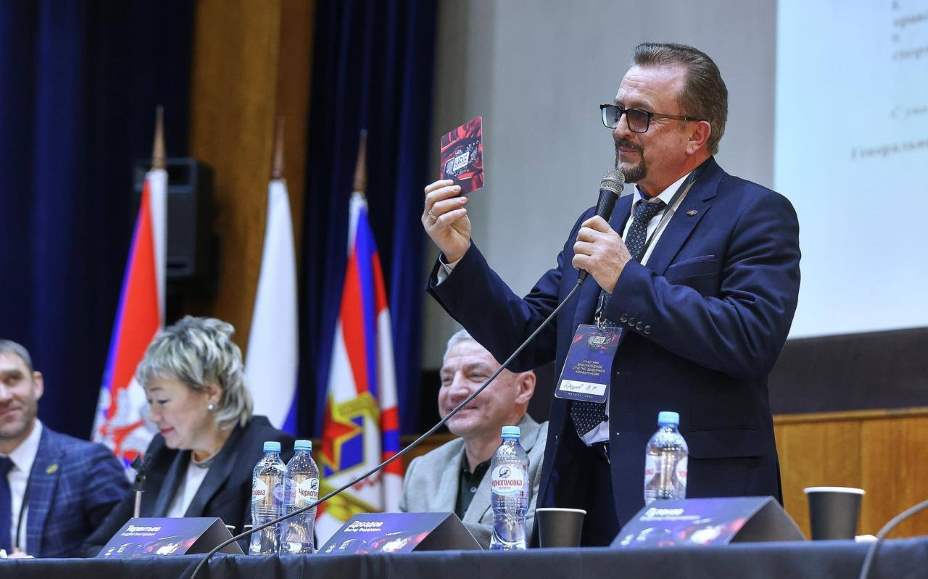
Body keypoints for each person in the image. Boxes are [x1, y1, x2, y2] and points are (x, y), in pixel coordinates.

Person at [422, 43, 800, 545]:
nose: (621, 128)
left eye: (641, 116)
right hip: (583, 486)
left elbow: (750, 338)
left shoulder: (752, 212)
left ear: (696, 134)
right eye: (617, 112)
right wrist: (459, 256)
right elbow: (525, 335)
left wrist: (627, 281)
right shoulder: (606, 217)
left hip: (689, 487)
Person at [86, 316, 294, 553]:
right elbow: (96, 547)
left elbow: (272, 552)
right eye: (150, 402)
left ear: (211, 393)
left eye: (162, 401)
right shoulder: (162, 452)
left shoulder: (268, 453)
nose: (153, 416)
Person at [399, 330, 547, 548]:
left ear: (523, 387)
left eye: (476, 375)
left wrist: (422, 536)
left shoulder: (551, 451)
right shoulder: (423, 470)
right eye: (447, 379)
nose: (455, 391)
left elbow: (539, 539)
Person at [0, 340, 129, 557]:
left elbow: (124, 557)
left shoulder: (89, 464)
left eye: (12, 379)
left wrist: (38, 572)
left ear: (36, 384)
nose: (3, 396)